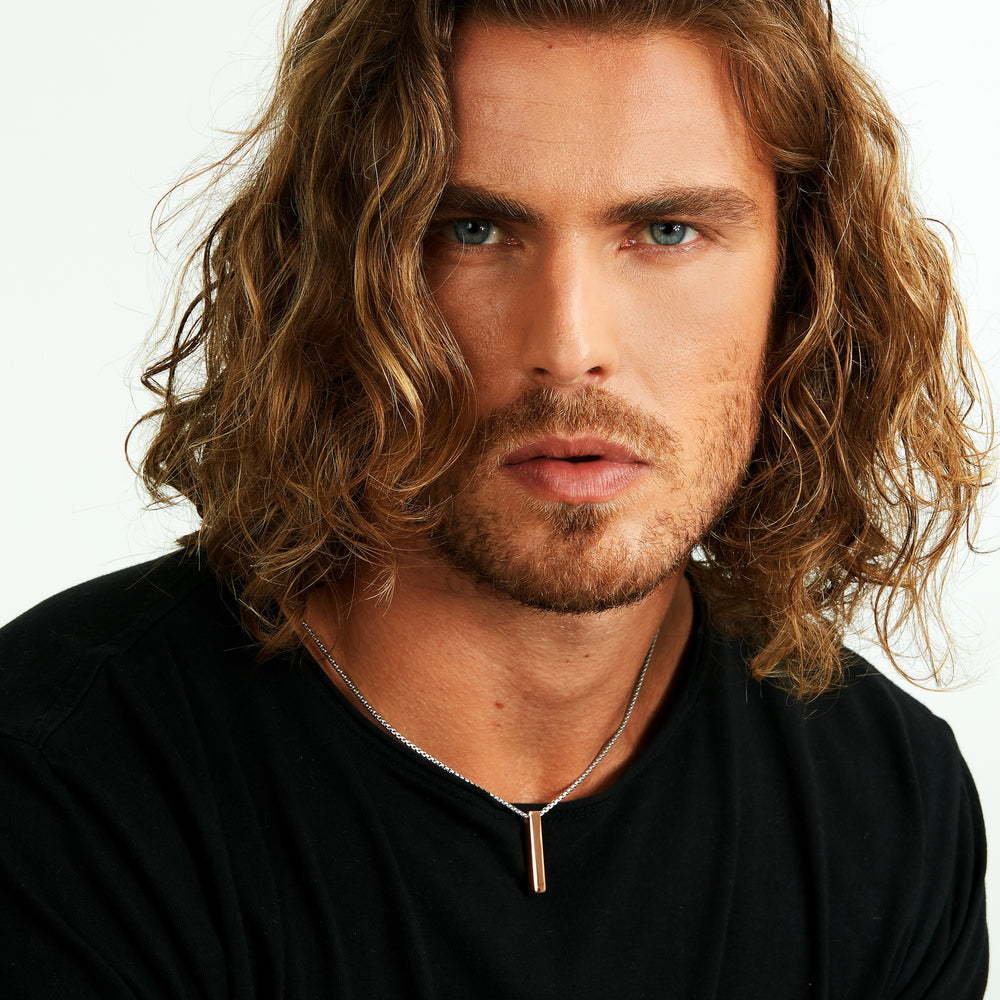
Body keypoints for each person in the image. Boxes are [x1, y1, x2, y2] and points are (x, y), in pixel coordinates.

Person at [0, 0, 990, 995]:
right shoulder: (62, 782)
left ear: (804, 283)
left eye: (666, 230)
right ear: (339, 272)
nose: (569, 347)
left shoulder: (887, 805)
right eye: (472, 231)